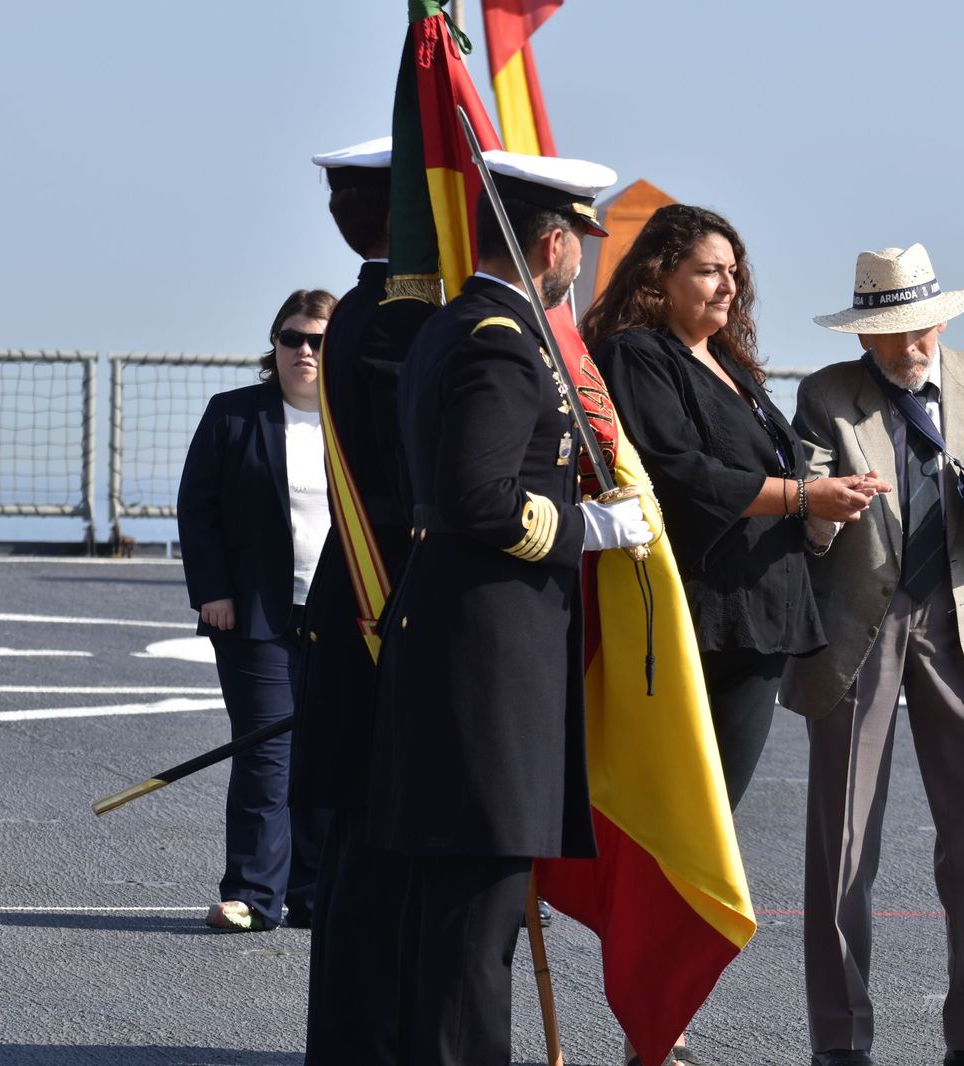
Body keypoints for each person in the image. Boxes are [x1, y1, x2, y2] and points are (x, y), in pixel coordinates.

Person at [364, 150, 652, 1066]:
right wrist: (593, 529)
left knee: (453, 907)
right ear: (557, 245)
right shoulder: (500, 339)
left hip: (462, 641)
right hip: (487, 657)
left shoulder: (463, 323)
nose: (587, 264)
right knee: (473, 912)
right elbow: (481, 498)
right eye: (584, 246)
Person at [780, 244, 964, 1066]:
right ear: (863, 334)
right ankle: (841, 1046)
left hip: (959, 622)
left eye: (918, 327)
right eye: (888, 333)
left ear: (940, 320)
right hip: (860, 626)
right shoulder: (825, 395)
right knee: (845, 843)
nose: (907, 346)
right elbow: (806, 521)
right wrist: (825, 511)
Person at [584, 204, 888, 815]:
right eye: (708, 271)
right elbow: (680, 477)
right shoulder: (637, 355)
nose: (729, 284)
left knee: (714, 810)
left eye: (733, 270)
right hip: (700, 614)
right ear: (656, 277)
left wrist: (828, 497)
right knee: (688, 812)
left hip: (762, 615)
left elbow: (770, 469)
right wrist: (804, 497)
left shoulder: (727, 362)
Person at [292, 137, 438, 1062]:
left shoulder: (362, 308)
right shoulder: (398, 319)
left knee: (363, 850)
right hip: (389, 600)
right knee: (383, 850)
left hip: (359, 591)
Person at [177, 287, 338, 932]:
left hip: (342, 616)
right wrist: (212, 591)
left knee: (329, 752)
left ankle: (317, 892)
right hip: (255, 616)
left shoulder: (360, 421)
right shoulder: (233, 415)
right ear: (273, 347)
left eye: (318, 341)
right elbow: (198, 506)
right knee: (267, 751)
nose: (304, 351)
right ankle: (250, 893)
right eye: (292, 339)